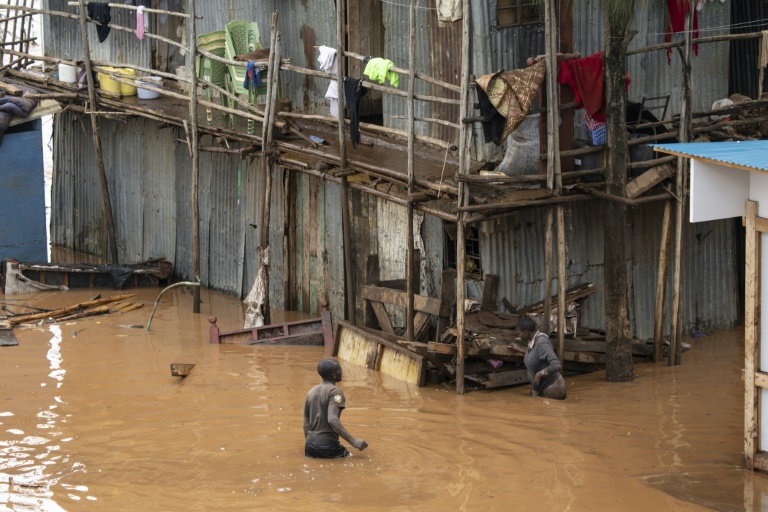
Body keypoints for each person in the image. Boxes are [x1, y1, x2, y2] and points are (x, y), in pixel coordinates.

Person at [303, 358, 368, 458]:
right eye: (339, 369)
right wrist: (353, 441)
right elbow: (332, 419)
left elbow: (306, 424)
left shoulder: (310, 392)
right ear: (334, 375)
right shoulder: (335, 392)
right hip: (328, 446)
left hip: (309, 446)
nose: (342, 371)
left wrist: (313, 444)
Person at [508, 317, 567, 400]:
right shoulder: (533, 340)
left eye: (519, 334)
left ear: (526, 332)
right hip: (541, 387)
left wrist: (539, 374)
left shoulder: (542, 342)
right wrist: (519, 350)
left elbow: (556, 364)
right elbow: (535, 356)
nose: (519, 336)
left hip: (552, 387)